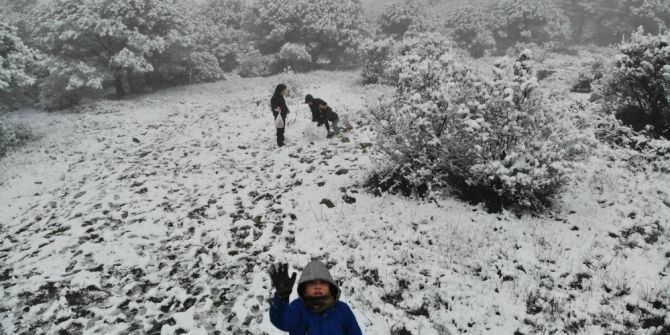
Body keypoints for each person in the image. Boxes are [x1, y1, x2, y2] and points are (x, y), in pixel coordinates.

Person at [268, 261, 363, 335]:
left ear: (330, 287)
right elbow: (281, 321)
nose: (318, 286)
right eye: (312, 283)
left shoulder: (342, 309)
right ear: (304, 288)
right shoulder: (298, 308)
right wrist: (282, 297)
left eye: (323, 282)